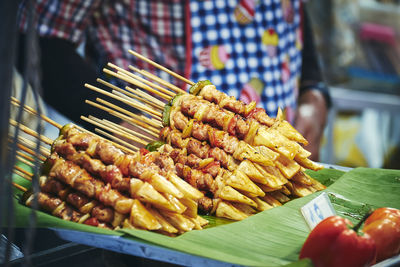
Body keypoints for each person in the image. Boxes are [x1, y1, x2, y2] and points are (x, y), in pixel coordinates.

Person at [17, 0, 330, 161]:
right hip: (167, 163)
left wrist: (313, 93)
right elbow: (37, 36)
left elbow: (287, 15)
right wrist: (121, 122)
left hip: (280, 157)